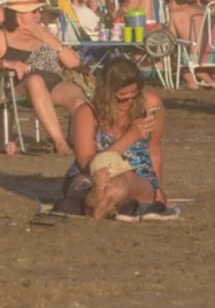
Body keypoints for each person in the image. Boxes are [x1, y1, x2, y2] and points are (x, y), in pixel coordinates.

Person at [0, 0, 86, 155]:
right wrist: (6, 63)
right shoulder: (2, 37)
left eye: (38, 11)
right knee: (35, 81)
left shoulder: (43, 33)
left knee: (77, 99)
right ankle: (60, 143)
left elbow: (73, 62)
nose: (38, 15)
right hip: (20, 87)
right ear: (18, 15)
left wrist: (46, 37)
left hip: (54, 84)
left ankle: (85, 143)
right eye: (33, 12)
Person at [61, 58, 168, 220]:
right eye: (122, 98)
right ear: (107, 94)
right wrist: (129, 138)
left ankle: (95, 202)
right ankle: (100, 197)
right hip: (91, 173)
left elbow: (155, 150)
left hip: (135, 174)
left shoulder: (150, 104)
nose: (129, 102)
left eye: (134, 95)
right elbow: (85, 163)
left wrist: (158, 188)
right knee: (95, 181)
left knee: (120, 185)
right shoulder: (87, 112)